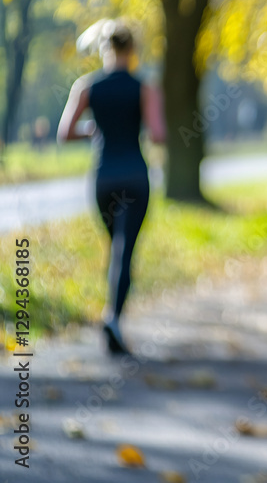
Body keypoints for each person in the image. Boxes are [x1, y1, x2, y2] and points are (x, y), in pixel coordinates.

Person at [57, 20, 166, 355]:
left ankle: (113, 320)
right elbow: (158, 133)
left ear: (104, 50)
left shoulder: (87, 86)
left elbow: (65, 133)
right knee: (124, 251)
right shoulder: (144, 87)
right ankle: (114, 319)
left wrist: (95, 129)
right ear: (132, 50)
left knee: (116, 248)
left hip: (103, 179)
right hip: (134, 175)